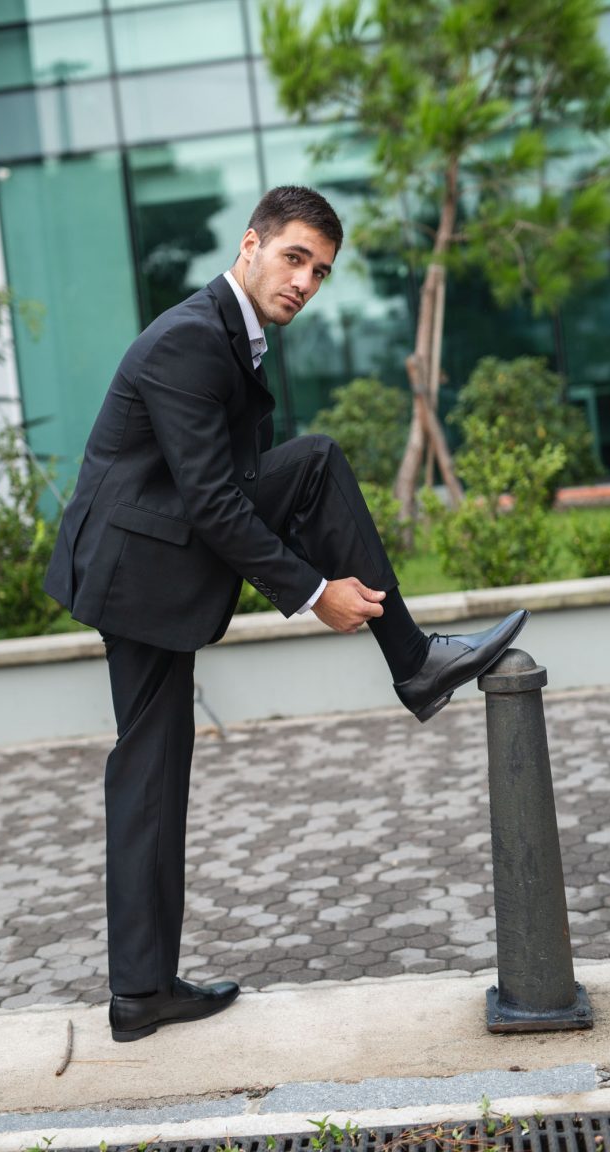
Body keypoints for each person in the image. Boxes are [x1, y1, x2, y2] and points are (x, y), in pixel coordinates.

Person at [44, 185, 528, 1043]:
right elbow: (213, 500)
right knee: (149, 774)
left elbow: (231, 485)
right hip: (136, 569)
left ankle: (143, 988)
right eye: (295, 257)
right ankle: (140, 990)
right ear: (251, 245)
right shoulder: (192, 338)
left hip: (151, 548)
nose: (305, 281)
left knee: (312, 469)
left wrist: (314, 565)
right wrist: (312, 592)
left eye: (321, 271)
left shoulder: (232, 332)